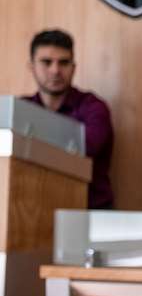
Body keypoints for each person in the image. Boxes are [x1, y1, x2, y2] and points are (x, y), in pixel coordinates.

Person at [24, 29, 114, 209]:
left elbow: (82, 150)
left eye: (64, 62)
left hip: (87, 211)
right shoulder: (21, 109)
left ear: (74, 67)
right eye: (46, 62)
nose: (55, 70)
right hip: (32, 209)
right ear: (31, 66)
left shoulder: (94, 108)